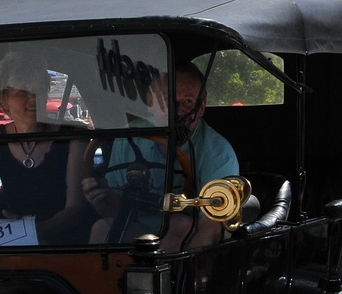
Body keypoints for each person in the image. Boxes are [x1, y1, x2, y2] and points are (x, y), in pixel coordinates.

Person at [82, 61, 239, 248]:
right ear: (150, 102)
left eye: (187, 102)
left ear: (202, 107)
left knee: (178, 224)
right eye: (166, 100)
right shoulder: (129, 138)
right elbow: (116, 211)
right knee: (101, 228)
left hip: (187, 241)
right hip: (138, 230)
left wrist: (182, 264)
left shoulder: (219, 155)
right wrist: (102, 200)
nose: (176, 111)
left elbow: (212, 228)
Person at [0, 54, 89, 244]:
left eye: (39, 89)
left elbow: (75, 210)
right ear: (3, 98)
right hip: (12, 247)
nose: (33, 98)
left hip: (66, 246)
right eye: (22, 92)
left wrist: (28, 231)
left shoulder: (73, 137)